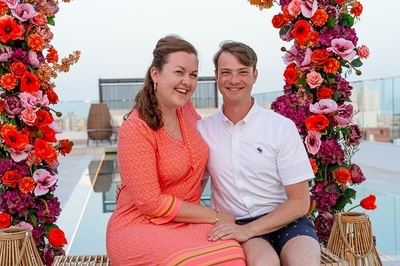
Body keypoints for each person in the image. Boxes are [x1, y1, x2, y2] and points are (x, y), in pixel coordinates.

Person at [105, 35, 246, 266]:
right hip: (140, 227)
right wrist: (218, 216)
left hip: (187, 223)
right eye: (179, 72)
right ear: (155, 74)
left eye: (193, 75)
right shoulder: (136, 128)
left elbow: (201, 159)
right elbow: (152, 204)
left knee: (234, 254)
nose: (187, 82)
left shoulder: (186, 110)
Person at [196, 41, 321, 266]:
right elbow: (188, 185)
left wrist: (250, 230)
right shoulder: (203, 130)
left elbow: (300, 202)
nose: (234, 80)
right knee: (264, 263)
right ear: (216, 76)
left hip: (288, 220)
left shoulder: (281, 127)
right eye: (226, 72)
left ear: (255, 75)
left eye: (242, 72)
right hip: (237, 222)